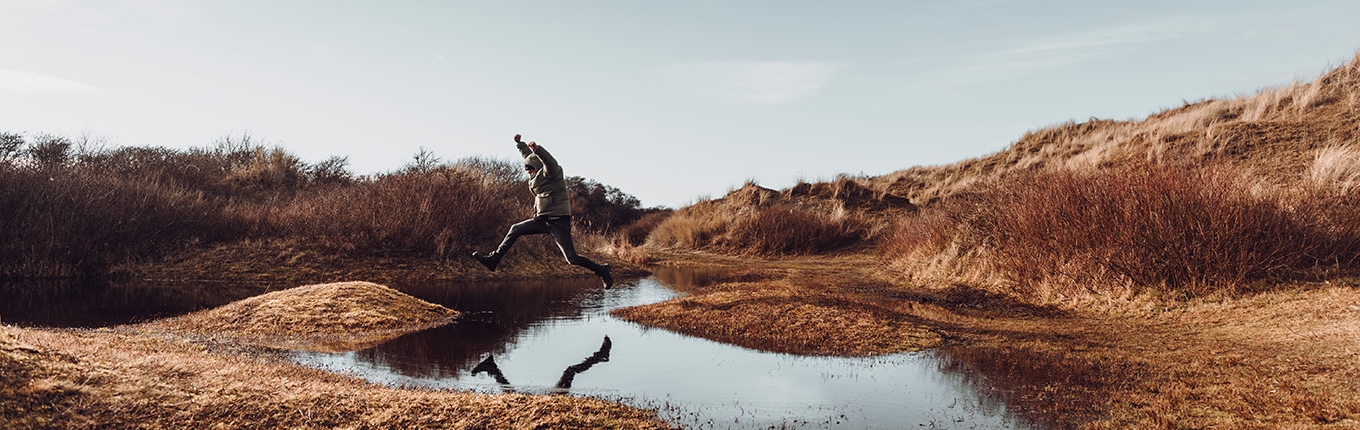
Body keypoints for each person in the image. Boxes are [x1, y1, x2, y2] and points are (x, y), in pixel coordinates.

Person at [472, 134, 613, 288]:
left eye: (531, 171)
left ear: (538, 168)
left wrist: (538, 150)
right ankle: (494, 260)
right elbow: (529, 157)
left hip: (559, 222)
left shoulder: (552, 172)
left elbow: (549, 162)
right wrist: (520, 144)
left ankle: (602, 270)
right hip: (542, 221)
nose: (529, 173)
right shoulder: (535, 171)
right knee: (515, 229)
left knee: (572, 259)